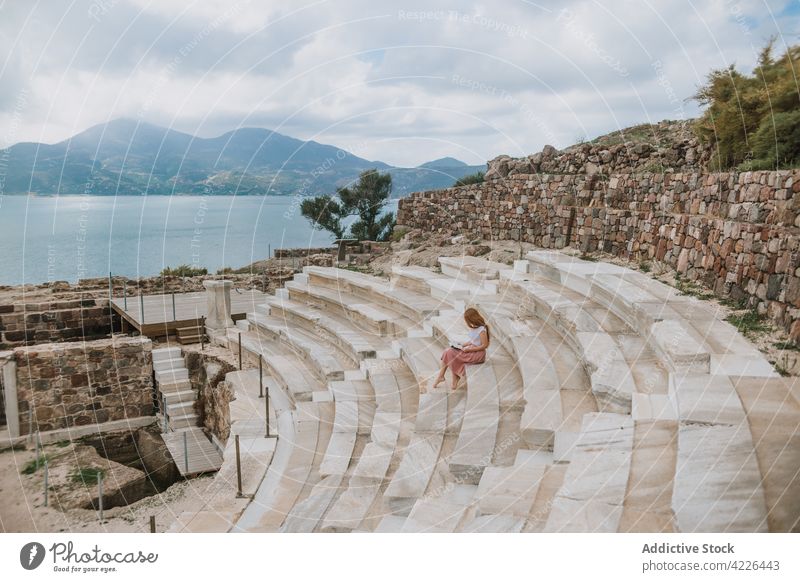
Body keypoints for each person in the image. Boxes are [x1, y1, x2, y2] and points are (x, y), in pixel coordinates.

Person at [431, 308, 490, 390]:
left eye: (467, 320)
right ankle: (448, 378)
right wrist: (462, 345)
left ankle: (445, 377)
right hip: (472, 349)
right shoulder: (474, 327)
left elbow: (485, 345)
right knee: (448, 352)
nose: (467, 322)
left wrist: (469, 350)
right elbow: (472, 341)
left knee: (449, 353)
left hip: (478, 354)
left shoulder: (482, 330)